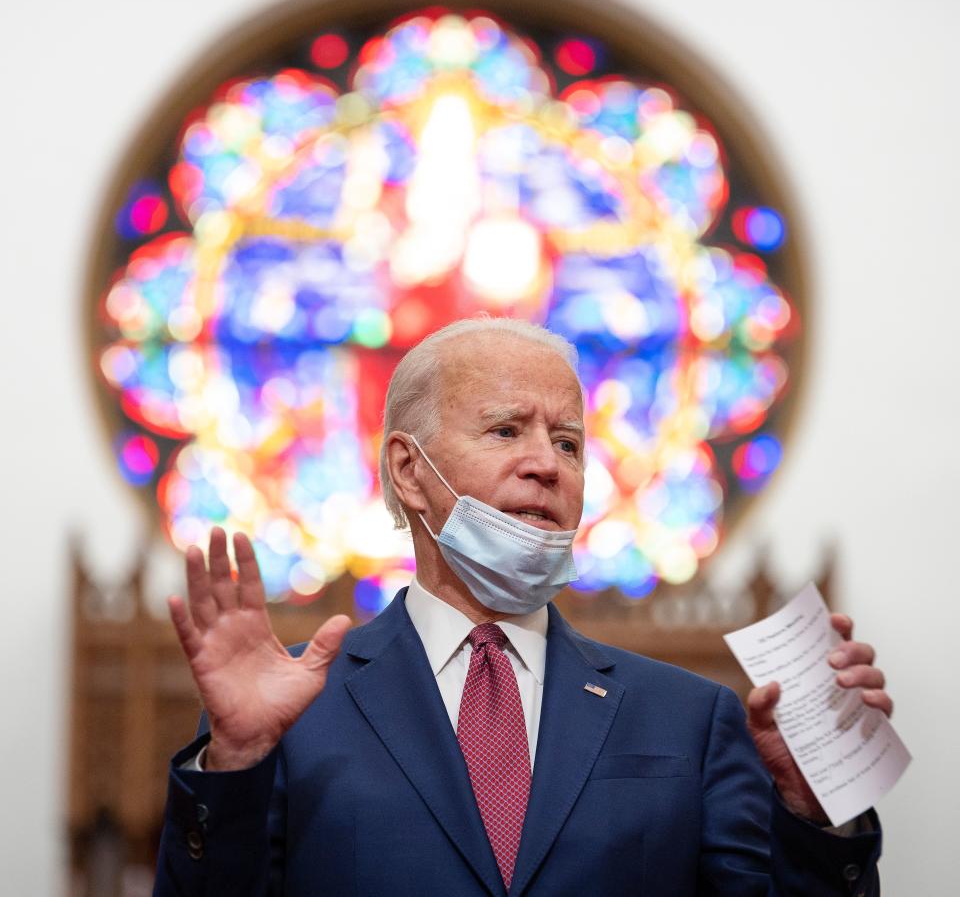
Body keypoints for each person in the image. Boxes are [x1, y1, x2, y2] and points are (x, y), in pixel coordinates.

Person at [154, 318, 889, 896]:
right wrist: (237, 764)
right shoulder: (296, 712)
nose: (548, 462)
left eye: (568, 442)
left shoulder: (687, 720)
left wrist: (811, 811)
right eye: (507, 429)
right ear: (410, 469)